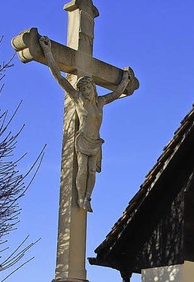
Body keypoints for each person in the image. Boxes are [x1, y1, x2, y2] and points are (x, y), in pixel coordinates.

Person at [39, 36, 131, 212]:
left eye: (89, 88)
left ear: (94, 89)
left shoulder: (100, 102)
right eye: (84, 89)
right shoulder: (78, 100)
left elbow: (116, 94)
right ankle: (81, 197)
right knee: (82, 170)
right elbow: (60, 78)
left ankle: (88, 197)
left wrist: (125, 81)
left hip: (96, 141)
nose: (87, 91)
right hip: (82, 140)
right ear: (80, 90)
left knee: (91, 172)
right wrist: (48, 52)